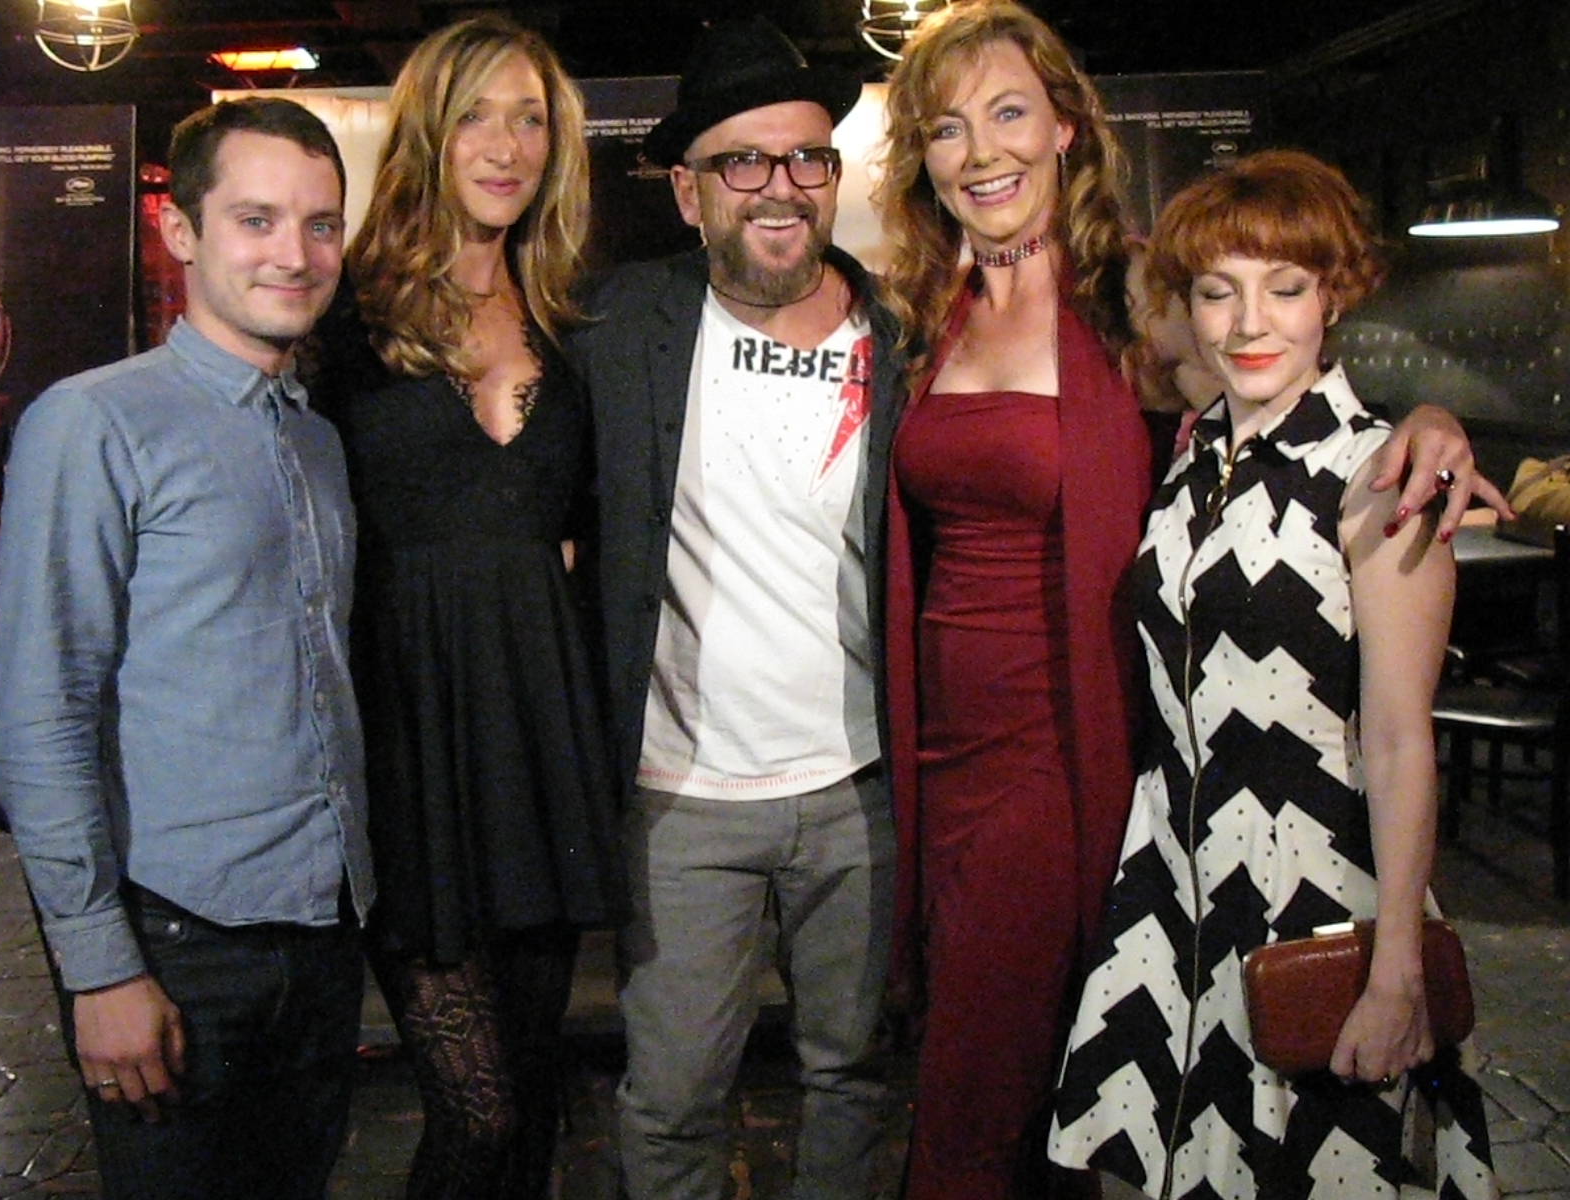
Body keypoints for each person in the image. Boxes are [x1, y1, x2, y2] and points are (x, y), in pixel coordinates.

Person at [872, 4, 1502, 1198]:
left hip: (1067, 756)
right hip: (947, 758)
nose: (981, 150)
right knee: (1083, 1106)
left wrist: (1428, 422)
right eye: (947, 128)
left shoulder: (1130, 298)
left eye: (1008, 112)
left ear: (1066, 126)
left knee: (980, 1105)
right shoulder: (920, 307)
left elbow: (1288, 364)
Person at [1048, 148, 1497, 1199]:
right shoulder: (1195, 454)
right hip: (1172, 878)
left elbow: (1399, 742)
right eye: (1219, 292)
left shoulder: (1379, 479)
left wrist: (1396, 970)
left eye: (1285, 289)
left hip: (1314, 890)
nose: (1249, 323)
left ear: (1332, 296)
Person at [0, 97, 372, 1200]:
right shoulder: (95, 422)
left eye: (319, 224)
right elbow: (43, 715)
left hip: (321, 931)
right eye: (256, 220)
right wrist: (98, 967)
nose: (293, 254)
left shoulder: (316, 436)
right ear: (180, 231)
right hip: (176, 941)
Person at [565, 17, 906, 1199]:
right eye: (742, 161)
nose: (780, 186)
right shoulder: (616, 329)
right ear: (687, 191)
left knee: (853, 1076)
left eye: (806, 157)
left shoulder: (902, 335)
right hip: (682, 802)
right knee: (670, 1101)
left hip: (860, 790)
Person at [310, 15, 625, 1199]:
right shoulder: (339, 319)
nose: (506, 146)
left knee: (532, 1097)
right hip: (407, 758)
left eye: (530, 119)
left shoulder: (570, 325)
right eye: (477, 117)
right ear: (428, 134)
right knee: (476, 1114)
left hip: (539, 748)